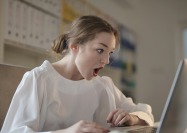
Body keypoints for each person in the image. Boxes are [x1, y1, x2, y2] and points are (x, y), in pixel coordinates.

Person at [1, 15, 154, 133]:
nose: (107, 60)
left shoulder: (103, 84)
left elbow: (144, 112)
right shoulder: (38, 79)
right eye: (100, 50)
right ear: (75, 46)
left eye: (110, 53)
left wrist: (132, 118)